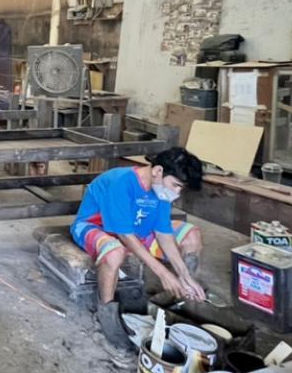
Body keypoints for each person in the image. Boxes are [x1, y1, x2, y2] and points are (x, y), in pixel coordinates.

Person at [70, 148, 206, 358]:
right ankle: (106, 315)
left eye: (181, 188)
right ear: (158, 171)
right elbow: (124, 236)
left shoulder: (161, 190)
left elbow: (163, 232)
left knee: (191, 235)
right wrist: (163, 273)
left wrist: (184, 274)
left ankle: (180, 296)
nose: (177, 193)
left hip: (137, 231)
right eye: (176, 185)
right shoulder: (121, 182)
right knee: (114, 252)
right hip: (96, 228)